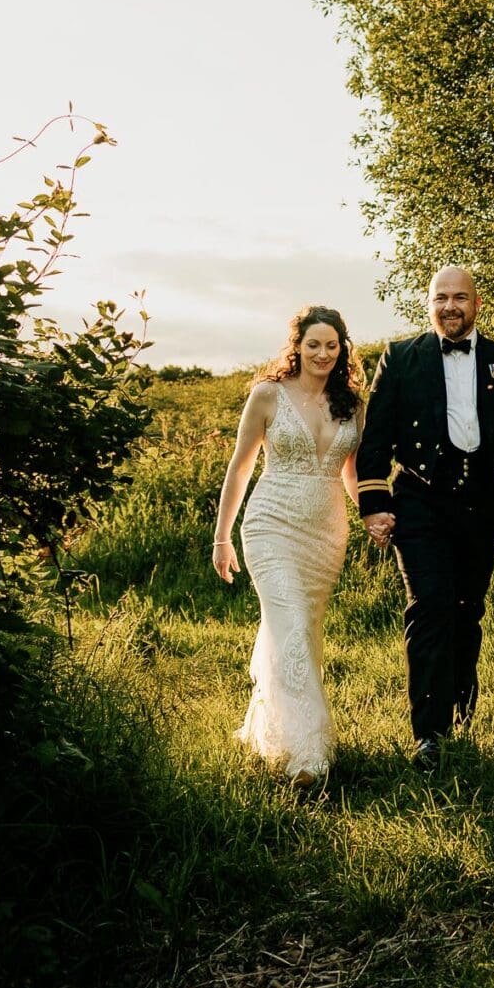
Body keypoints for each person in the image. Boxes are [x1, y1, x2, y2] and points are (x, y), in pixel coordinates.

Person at [357, 265, 494, 770]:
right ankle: (428, 734)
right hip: (419, 501)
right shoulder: (401, 358)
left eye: (460, 297)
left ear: (477, 304)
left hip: (483, 502)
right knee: (431, 605)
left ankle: (461, 714)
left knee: (468, 610)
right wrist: (375, 503)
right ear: (429, 303)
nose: (450, 306)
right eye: (441, 297)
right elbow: (375, 436)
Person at [212, 305, 366, 789]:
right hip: (270, 524)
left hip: (326, 533)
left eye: (331, 345)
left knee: (302, 632)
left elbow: (352, 476)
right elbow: (240, 468)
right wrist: (221, 536)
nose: (322, 353)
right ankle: (308, 754)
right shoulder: (267, 396)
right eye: (313, 344)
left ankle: (270, 731)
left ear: (342, 351)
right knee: (293, 625)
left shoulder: (353, 404)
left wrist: (378, 516)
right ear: (296, 346)